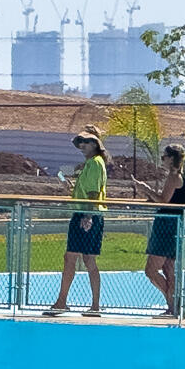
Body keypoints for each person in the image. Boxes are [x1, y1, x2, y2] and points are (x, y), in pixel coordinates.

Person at [45, 125, 109, 316]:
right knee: (72, 257)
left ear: (95, 144)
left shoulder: (96, 163)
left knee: (88, 259)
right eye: (81, 142)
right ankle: (62, 301)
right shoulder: (90, 164)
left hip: (88, 215)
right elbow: (86, 190)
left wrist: (88, 215)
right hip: (82, 213)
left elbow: (94, 192)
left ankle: (94, 305)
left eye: (87, 142)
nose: (82, 145)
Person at [132, 144, 185, 317]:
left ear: (171, 158)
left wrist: (145, 189)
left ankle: (173, 303)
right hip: (172, 225)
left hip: (167, 226)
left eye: (164, 157)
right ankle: (172, 306)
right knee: (168, 270)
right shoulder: (176, 177)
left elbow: (163, 201)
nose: (162, 160)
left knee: (151, 270)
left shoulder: (174, 177)